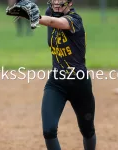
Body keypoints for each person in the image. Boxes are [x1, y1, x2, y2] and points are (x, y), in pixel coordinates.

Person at [37, 0, 97, 150]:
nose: (56, 3)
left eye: (61, 0)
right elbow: (50, 19)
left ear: (70, 2)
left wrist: (34, 16)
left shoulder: (75, 19)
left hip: (79, 83)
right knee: (48, 130)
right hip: (56, 82)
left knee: (87, 130)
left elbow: (54, 22)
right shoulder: (49, 12)